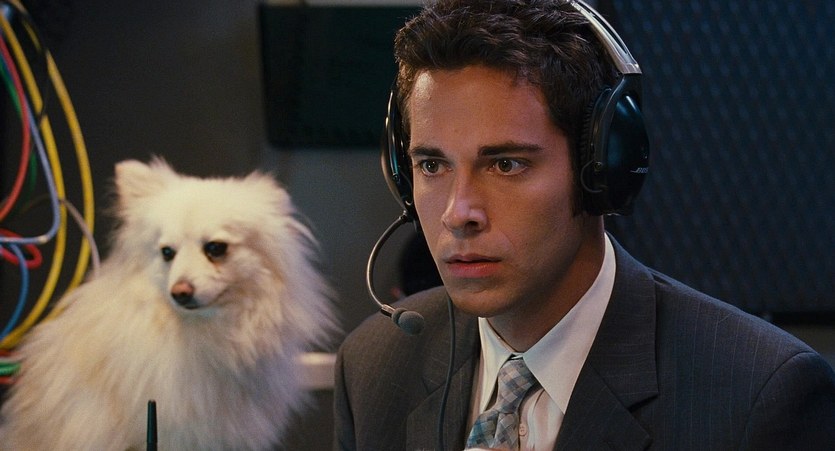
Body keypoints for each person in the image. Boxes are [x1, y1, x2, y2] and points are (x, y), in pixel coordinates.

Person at [334, 1, 835, 450]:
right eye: (432, 165)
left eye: (506, 164)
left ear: (602, 167)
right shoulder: (372, 368)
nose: (458, 212)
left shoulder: (758, 397)